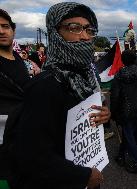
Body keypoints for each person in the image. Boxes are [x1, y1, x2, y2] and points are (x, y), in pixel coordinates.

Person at [5, 2, 110, 188]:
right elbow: (31, 157)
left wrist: (103, 116)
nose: (84, 36)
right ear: (55, 33)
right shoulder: (45, 85)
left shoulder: (87, 77)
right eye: (74, 28)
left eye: (88, 29)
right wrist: (82, 176)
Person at [0, 8, 30, 182]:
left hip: (25, 143)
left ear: (13, 30)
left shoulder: (19, 60)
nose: (1, 31)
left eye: (5, 26)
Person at [111, 49, 137, 174]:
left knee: (129, 134)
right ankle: (121, 155)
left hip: (125, 108)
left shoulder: (119, 74)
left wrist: (112, 112)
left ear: (123, 60)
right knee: (128, 132)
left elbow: (115, 96)